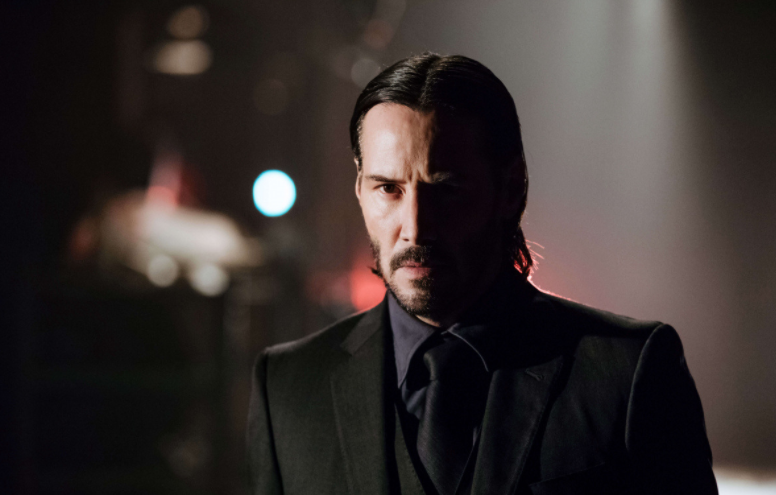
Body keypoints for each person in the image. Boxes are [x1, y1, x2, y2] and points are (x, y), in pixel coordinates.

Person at [247, 53, 717, 495]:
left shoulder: (628, 373)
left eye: (446, 190)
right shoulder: (287, 386)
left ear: (510, 189)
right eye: (388, 188)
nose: (415, 228)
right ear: (359, 189)